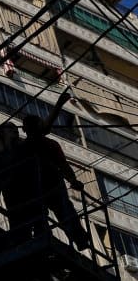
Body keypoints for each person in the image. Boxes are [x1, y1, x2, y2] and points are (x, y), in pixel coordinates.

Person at [21, 89, 90, 250]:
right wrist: (59, 104)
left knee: (63, 212)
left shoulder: (40, 145)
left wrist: (73, 180)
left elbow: (63, 165)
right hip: (43, 187)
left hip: (47, 186)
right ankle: (76, 239)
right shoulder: (27, 146)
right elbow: (45, 130)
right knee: (58, 212)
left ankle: (78, 239)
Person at [0, 122, 41, 241]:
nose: (15, 130)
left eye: (16, 129)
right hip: (14, 202)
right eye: (10, 129)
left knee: (39, 230)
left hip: (31, 197)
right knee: (20, 235)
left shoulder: (25, 148)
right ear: (3, 133)